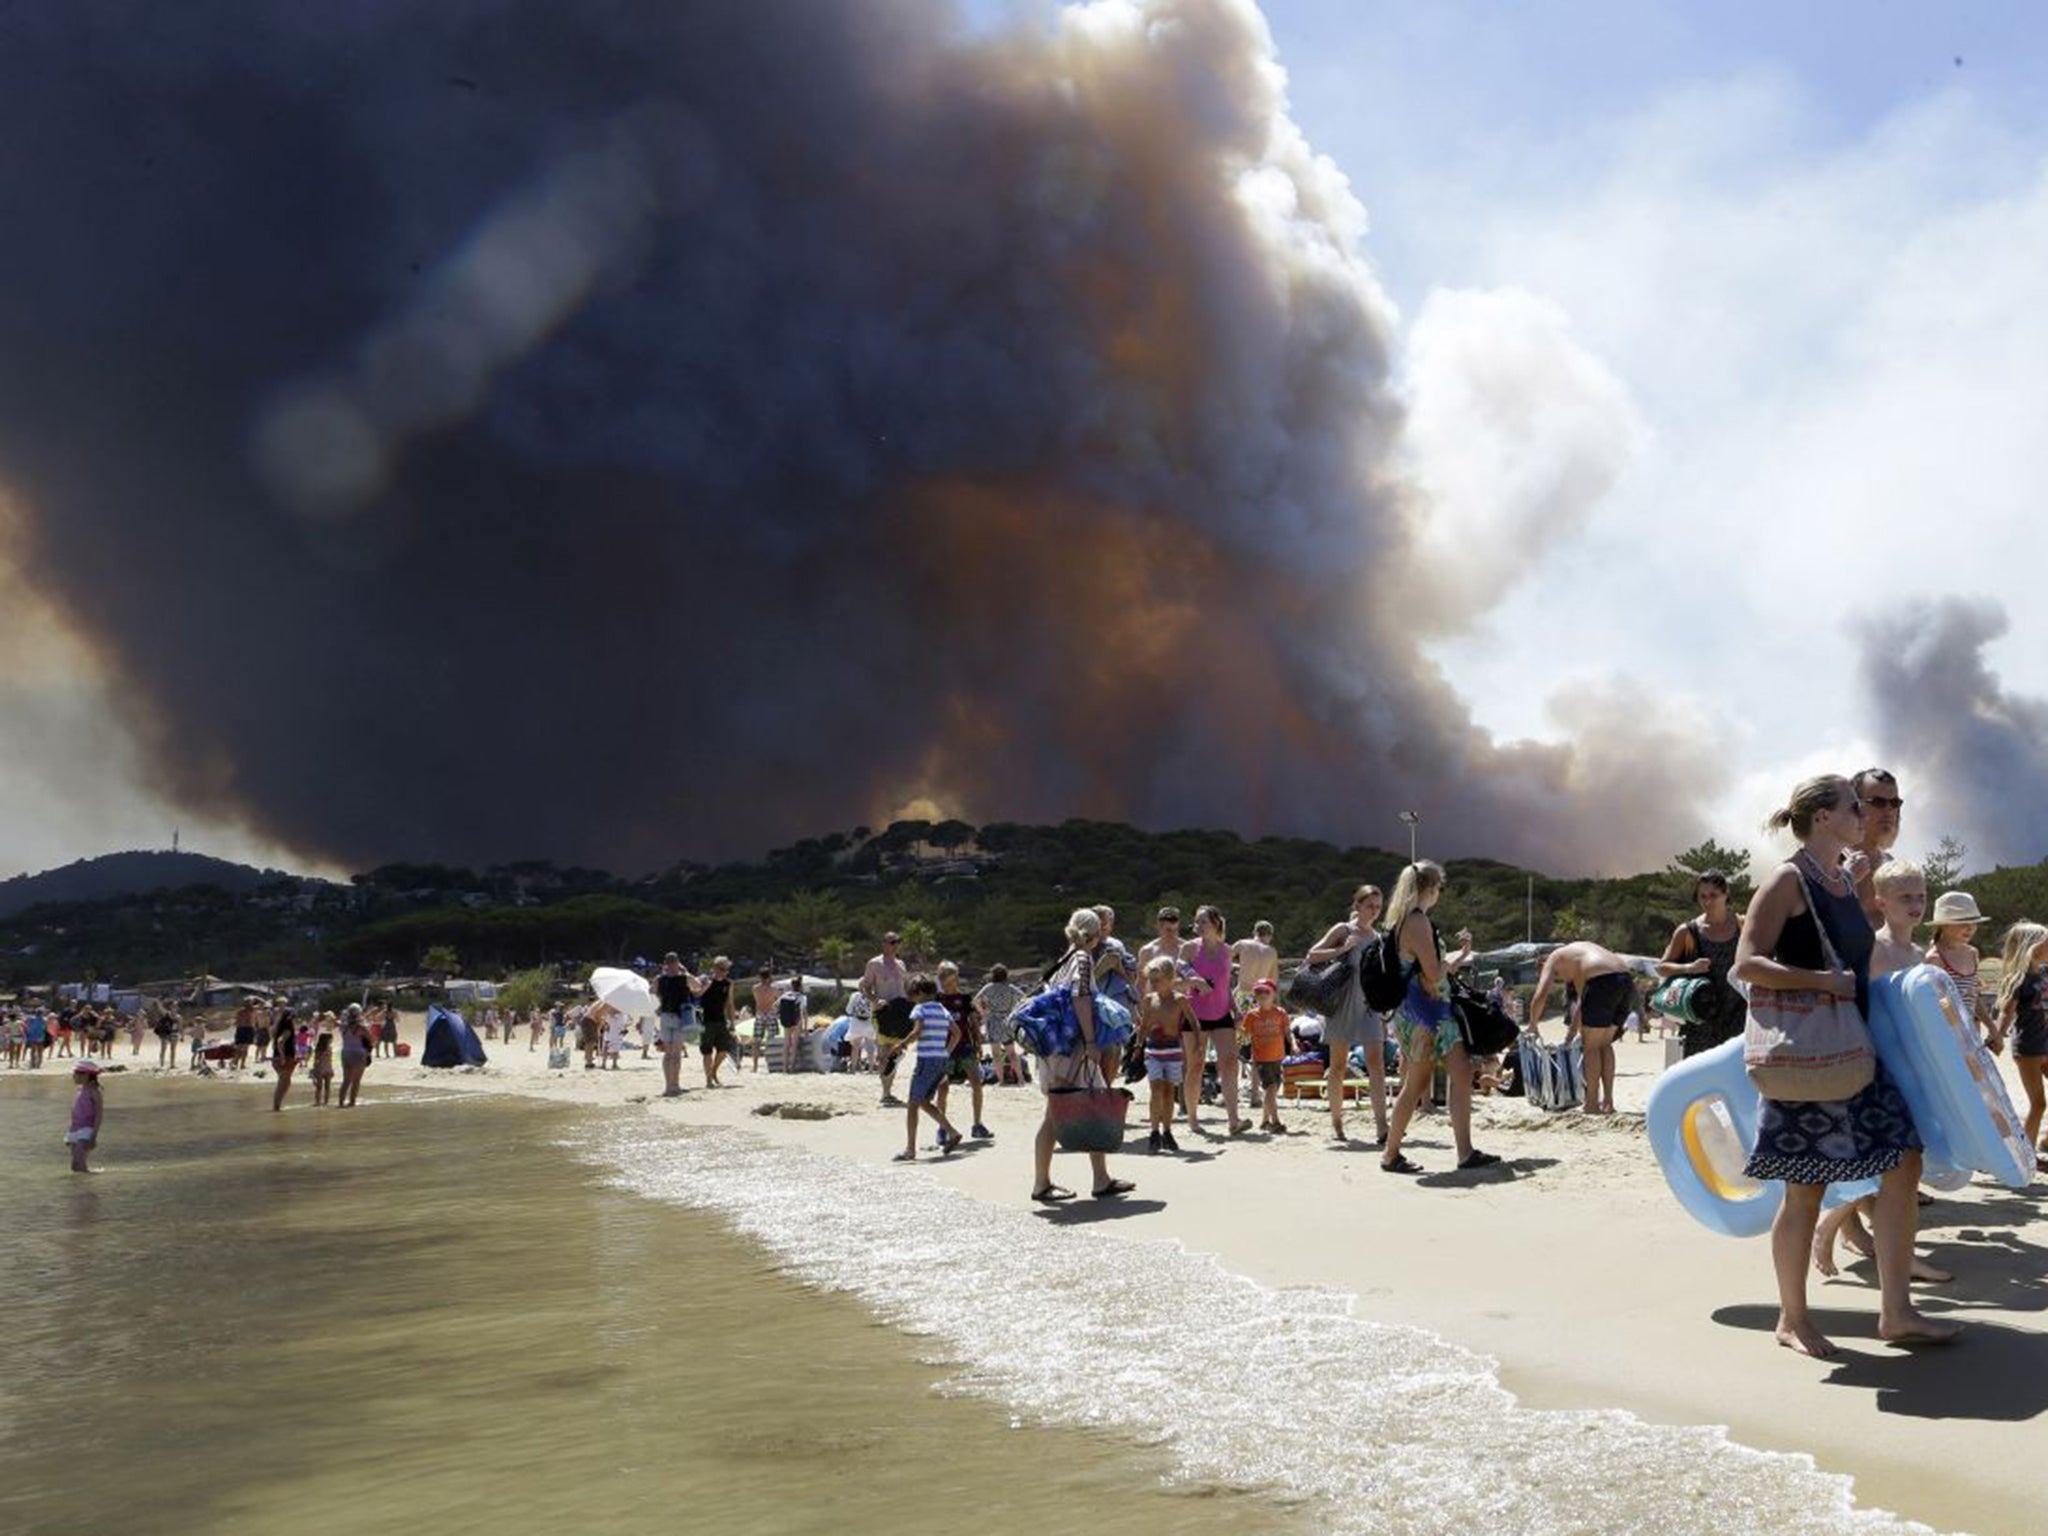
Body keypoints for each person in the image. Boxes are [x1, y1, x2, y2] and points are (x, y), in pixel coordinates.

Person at [1735, 774, 1954, 1355]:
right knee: (1803, 1190)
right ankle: (1792, 1318)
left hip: (1856, 1051)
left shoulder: (1840, 880)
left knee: (1904, 1160)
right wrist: (1819, 981)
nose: (1864, 813)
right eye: (1853, 807)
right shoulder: (1788, 878)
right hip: (1807, 1056)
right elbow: (1747, 963)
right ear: (1823, 818)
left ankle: (1897, 1312)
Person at [1379, 862, 1495, 1174]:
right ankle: (1391, 1154)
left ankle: (1464, 1151)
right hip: (1426, 1014)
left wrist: (1459, 955)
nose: (1439, 894)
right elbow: (1432, 973)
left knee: (1456, 1073)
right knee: (1418, 1083)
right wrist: (1446, 965)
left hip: (1422, 1012)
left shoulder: (1404, 921)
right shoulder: (1418, 922)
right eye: (1438, 888)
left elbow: (1429, 968)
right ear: (1429, 888)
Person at [1027, 907, 1135, 1203]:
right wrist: (1090, 1041)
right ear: (1096, 933)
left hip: (1054, 1049)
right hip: (1073, 1048)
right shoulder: (1083, 959)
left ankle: (1098, 1178)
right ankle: (1045, 1183)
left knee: (1073, 1107)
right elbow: (1081, 997)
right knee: (1073, 1109)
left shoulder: (1062, 961)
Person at [1305, 884, 1391, 1144]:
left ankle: (1381, 1127)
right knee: (1339, 1066)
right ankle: (1337, 1123)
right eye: (1369, 906)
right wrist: (1342, 949)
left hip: (1368, 1005)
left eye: (1378, 907)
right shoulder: (1343, 929)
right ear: (1358, 905)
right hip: (1342, 1003)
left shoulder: (1377, 937)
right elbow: (1311, 956)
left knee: (1376, 1065)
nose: (1374, 911)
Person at [1526, 941, 1634, 1114]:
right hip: (1626, 980)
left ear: (1541, 964)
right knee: (1604, 1044)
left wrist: (1532, 1024)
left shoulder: (1554, 958)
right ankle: (1608, 1102)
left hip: (1603, 981)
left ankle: (1591, 1103)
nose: (1557, 980)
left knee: (1590, 1047)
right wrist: (1571, 1033)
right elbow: (1583, 1004)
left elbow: (1541, 994)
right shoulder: (1579, 956)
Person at [1656, 871, 1747, 1058]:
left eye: (1713, 895)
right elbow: (1662, 967)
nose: (1707, 902)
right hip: (1699, 1023)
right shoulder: (1687, 931)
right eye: (1702, 896)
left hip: (1739, 1020)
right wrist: (1689, 968)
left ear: (1726, 894)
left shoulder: (1743, 926)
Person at [1180, 906, 1245, 1136]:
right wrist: (1195, 979)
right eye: (1196, 923)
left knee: (1230, 1062)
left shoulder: (1227, 951)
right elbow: (1179, 973)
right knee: (1195, 1066)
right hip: (1194, 1014)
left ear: (1216, 924)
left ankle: (1234, 1119)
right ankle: (1193, 1119)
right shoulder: (1188, 948)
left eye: (1202, 922)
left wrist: (1237, 1010)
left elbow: (1226, 985)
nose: (1197, 927)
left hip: (1222, 1012)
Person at [1994, 921, 2048, 1168]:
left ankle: (2044, 1141)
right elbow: (2006, 1012)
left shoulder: (2043, 973)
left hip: (2045, 1044)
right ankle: (2026, 1156)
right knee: (2039, 1103)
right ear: (2032, 946)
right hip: (2028, 1048)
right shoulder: (2020, 979)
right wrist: (1998, 1035)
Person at [894, 974, 963, 1162]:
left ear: (921, 993)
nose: (913, 996)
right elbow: (956, 1033)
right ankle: (952, 1132)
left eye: (914, 992)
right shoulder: (942, 1008)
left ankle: (910, 1149)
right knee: (923, 1101)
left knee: (912, 1104)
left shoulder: (920, 1008)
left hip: (926, 1060)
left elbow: (917, 1032)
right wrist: (945, 1052)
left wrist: (901, 1045)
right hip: (940, 1059)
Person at [1138, 955, 1195, 1152]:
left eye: (1157, 980)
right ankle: (1154, 1131)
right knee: (1156, 1090)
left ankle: (1167, 1131)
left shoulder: (1180, 1000)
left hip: (1173, 1049)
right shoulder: (1148, 1000)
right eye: (1150, 980)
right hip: (1153, 1049)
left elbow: (1194, 1023)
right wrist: (1137, 1047)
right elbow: (1144, 1025)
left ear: (1170, 978)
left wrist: (1198, 1045)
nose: (1153, 983)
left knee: (1170, 1091)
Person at [932, 962, 987, 1137]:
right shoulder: (937, 1000)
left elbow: (973, 1022)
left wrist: (978, 1043)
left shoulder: (964, 999)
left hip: (965, 1046)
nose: (949, 980)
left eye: (951, 976)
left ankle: (977, 1124)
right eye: (945, 976)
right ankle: (942, 1128)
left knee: (976, 1083)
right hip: (945, 1049)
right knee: (943, 1088)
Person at [1926, 891, 1991, 1037]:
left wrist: (1992, 1028)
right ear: (1944, 925)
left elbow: (1973, 997)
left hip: (1969, 1033)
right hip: (1946, 1035)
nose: (1970, 927)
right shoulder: (1935, 959)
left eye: (1974, 922)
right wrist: (1961, 1033)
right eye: (1963, 922)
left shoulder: (1973, 953)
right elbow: (1941, 1001)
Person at [861, 933, 913, 1106]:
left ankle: (888, 1091)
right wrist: (875, 1000)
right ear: (884, 944)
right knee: (884, 1052)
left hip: (900, 1012)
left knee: (896, 1052)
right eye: (892, 942)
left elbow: (906, 987)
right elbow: (865, 986)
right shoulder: (874, 964)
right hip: (883, 1012)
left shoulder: (901, 964)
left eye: (898, 942)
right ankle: (886, 1093)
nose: (895, 945)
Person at [1849, 767, 1905, 923]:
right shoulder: (1832, 860)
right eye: (1878, 802)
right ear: (1855, 806)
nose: (1888, 810)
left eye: (1894, 803)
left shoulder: (1892, 866)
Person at [1241, 979, 1291, 1133]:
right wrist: (1237, 1029)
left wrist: (1294, 1045)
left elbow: (1287, 1032)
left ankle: (1264, 1121)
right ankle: (1275, 1121)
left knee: (1273, 1090)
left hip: (1277, 1057)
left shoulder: (1281, 1013)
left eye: (1266, 991)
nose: (1262, 995)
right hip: (1261, 1058)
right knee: (1270, 1088)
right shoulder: (1251, 1015)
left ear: (1273, 994)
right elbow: (1244, 1035)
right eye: (1258, 992)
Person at [653, 954, 702, 1097]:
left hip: (665, 1016)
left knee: (668, 1054)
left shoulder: (659, 979)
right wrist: (685, 971)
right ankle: (675, 1085)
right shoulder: (684, 978)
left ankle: (668, 1086)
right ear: (677, 963)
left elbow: (652, 991)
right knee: (676, 1054)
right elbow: (698, 986)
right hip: (681, 1017)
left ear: (665, 963)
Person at [973, 965, 1025, 1087]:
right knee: (1012, 1052)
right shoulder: (1010, 988)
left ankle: (1001, 1080)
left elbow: (976, 1000)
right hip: (1007, 1020)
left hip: (993, 1020)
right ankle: (1021, 1079)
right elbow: (1024, 998)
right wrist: (1015, 1010)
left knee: (996, 1054)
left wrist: (983, 1012)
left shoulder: (989, 988)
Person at [698, 958, 738, 1087]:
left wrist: (732, 1023)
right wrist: (705, 986)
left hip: (721, 1020)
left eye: (726, 970)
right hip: (706, 1020)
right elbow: (695, 995)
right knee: (707, 1051)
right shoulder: (705, 981)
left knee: (724, 1050)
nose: (724, 972)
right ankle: (708, 1080)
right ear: (714, 968)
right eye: (721, 969)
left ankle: (713, 1072)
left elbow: (730, 1004)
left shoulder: (728, 983)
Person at [1231, 921, 1281, 1010]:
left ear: (1254, 932)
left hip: (1243, 994)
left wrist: (1235, 966)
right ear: (1270, 936)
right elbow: (1274, 980)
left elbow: (1222, 960)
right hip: (1261, 997)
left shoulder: (1242, 944)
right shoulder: (1272, 952)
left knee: (1242, 1022)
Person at [67, 1059, 104, 1172]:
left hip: (86, 1130)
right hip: (75, 1129)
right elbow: (74, 1111)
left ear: (86, 1075)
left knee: (80, 1161)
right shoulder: (79, 1090)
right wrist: (70, 1131)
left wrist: (93, 1136)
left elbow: (99, 1114)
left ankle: (86, 1187)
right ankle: (81, 1186)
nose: (74, 1076)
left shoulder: (94, 1092)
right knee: (75, 1166)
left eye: (76, 1073)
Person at [338, 1005, 373, 1108]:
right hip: (359, 1053)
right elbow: (371, 1039)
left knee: (346, 1080)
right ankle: (352, 1102)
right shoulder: (362, 1027)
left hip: (346, 1053)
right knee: (356, 1080)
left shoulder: (343, 1026)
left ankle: (341, 1102)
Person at [749, 967, 780, 1074]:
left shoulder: (755, 988)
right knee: (772, 1041)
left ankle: (755, 1066)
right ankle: (772, 1064)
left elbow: (756, 999)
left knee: (756, 1041)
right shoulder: (774, 989)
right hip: (771, 1014)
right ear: (769, 977)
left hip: (760, 1014)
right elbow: (777, 1000)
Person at [777, 974, 808, 1077]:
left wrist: (779, 1015)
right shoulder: (802, 997)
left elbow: (774, 1006)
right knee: (794, 1045)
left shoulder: (785, 995)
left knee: (786, 1044)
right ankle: (792, 1067)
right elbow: (804, 1013)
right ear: (800, 986)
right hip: (797, 1021)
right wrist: (805, 1028)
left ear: (791, 985)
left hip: (786, 1021)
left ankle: (784, 1068)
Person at [269, 1006, 298, 1111]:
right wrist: (282, 1057)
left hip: (277, 1057)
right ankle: (276, 1107)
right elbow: (280, 1042)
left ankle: (277, 1105)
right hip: (285, 1058)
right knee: (284, 1083)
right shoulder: (288, 1028)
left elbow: (275, 1043)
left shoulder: (278, 1028)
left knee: (284, 1082)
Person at [310, 1031, 336, 1107]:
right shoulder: (329, 1048)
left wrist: (314, 1069)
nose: (331, 1041)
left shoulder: (319, 1049)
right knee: (327, 1087)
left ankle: (318, 1102)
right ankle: (325, 1102)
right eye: (330, 1039)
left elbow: (316, 1060)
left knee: (319, 1087)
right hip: (327, 1068)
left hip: (321, 1068)